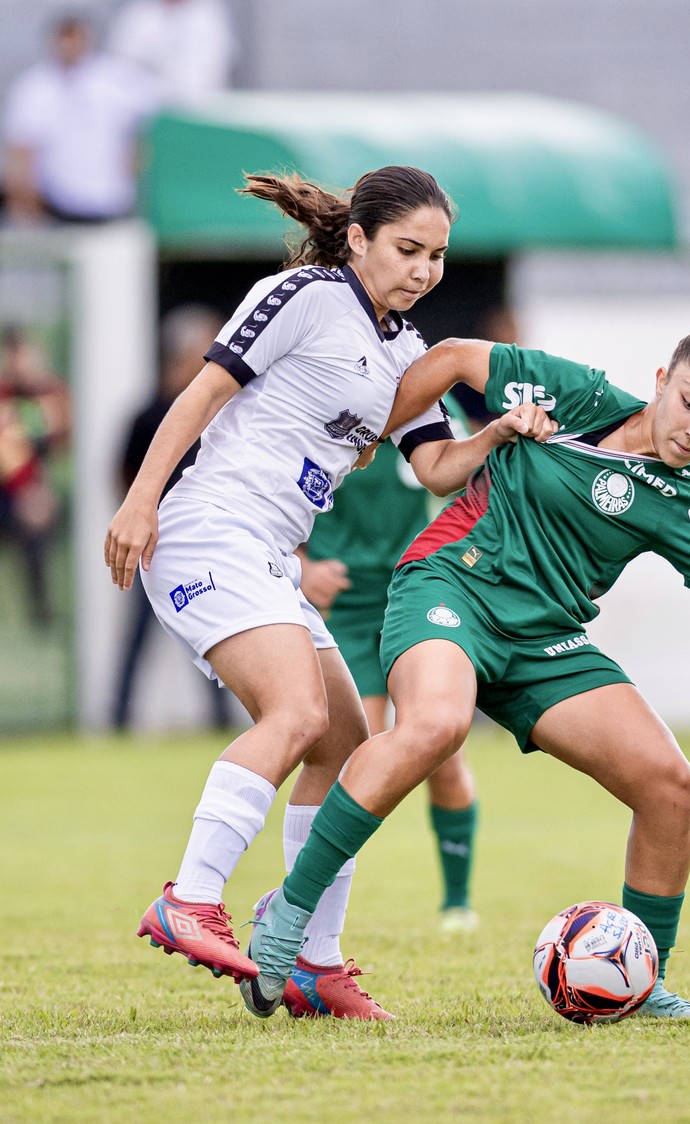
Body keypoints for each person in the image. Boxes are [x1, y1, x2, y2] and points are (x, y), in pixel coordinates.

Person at [241, 293, 690, 1023]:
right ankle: (288, 918)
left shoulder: (688, 506)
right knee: (436, 726)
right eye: (689, 401)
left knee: (669, 785)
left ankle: (641, 981)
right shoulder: (576, 394)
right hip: (451, 586)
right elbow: (451, 359)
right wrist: (369, 434)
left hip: (545, 641)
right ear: (661, 380)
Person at [103, 165, 557, 1020]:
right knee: (298, 714)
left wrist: (496, 432)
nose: (424, 270)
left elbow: (436, 468)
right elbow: (201, 394)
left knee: (349, 742)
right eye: (408, 249)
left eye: (438, 256)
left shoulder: (407, 353)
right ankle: (190, 897)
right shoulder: (305, 296)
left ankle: (312, 962)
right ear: (357, 239)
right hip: (210, 526)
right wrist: (140, 500)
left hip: (268, 553)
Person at [299, 433, 483, 934]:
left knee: (442, 750)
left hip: (417, 593)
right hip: (344, 606)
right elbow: (267, 496)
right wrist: (301, 567)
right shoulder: (329, 415)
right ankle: (307, 912)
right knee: (348, 755)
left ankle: (457, 903)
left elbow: (486, 496)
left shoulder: (437, 425)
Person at [112, 305, 236, 730]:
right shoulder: (149, 414)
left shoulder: (221, 412)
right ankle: (118, 718)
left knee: (208, 630)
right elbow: (124, 474)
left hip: (204, 539)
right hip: (152, 543)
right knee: (139, 635)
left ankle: (219, 719)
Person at [2, 12, 158, 224]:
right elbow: (20, 152)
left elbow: (149, 126)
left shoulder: (118, 79)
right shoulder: (33, 88)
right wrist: (25, 207)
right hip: (58, 206)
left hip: (116, 202)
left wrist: (138, 163)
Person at [0, 325, 71, 627]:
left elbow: (62, 441)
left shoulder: (51, 394)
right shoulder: (6, 395)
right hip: (13, 493)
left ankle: (40, 611)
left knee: (35, 540)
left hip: (38, 492)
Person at [107, 0, 235, 103]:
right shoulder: (141, 10)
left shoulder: (208, 17)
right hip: (138, 94)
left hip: (189, 100)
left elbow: (197, 81)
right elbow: (120, 62)